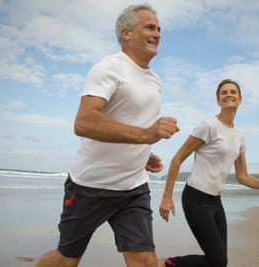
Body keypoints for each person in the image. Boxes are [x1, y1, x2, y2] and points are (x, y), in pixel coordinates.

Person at [35, 4, 180, 267]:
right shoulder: (109, 67)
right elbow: (84, 122)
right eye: (149, 27)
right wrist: (145, 136)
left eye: (159, 29)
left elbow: (130, 123)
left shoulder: (155, 80)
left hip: (133, 187)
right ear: (126, 33)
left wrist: (144, 151)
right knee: (66, 260)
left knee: (146, 261)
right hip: (91, 186)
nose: (157, 33)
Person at [158, 79, 259, 267]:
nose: (229, 94)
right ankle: (163, 264)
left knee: (219, 262)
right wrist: (167, 197)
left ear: (240, 99)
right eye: (224, 92)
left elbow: (243, 176)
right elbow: (177, 159)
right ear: (218, 101)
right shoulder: (209, 126)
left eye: (233, 92)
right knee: (217, 262)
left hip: (215, 201)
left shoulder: (238, 135)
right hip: (196, 198)